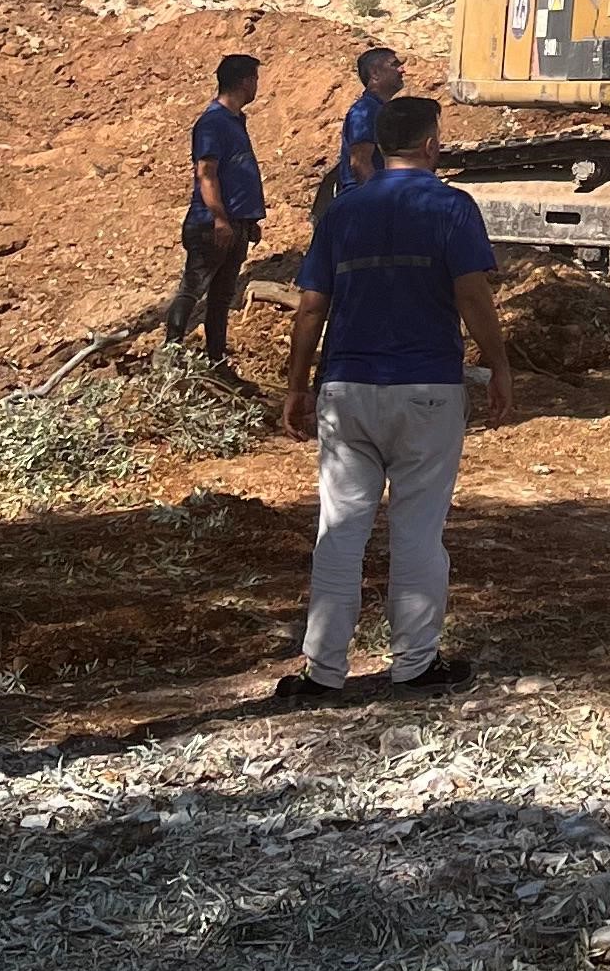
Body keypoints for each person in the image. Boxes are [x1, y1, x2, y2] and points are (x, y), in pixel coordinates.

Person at [272, 90, 513, 706]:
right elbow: (472, 295)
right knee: (418, 532)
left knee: (339, 531)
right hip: (427, 389)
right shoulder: (452, 207)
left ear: (378, 145)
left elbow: (311, 309)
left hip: (347, 390)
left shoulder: (342, 212)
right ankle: (414, 665)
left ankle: (322, 672)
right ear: (432, 144)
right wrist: (499, 364)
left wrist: (296, 385)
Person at [167, 53, 264, 366]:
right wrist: (220, 220)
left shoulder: (235, 121)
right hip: (211, 225)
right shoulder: (213, 123)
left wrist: (247, 221)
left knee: (221, 297)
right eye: (255, 79)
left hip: (235, 224)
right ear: (245, 81)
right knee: (193, 288)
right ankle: (170, 353)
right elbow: (206, 174)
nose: (257, 86)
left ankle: (216, 360)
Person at [310, 39, 406, 242]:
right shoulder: (365, 111)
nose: (402, 70)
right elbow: (360, 162)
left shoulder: (380, 110)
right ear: (375, 74)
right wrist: (380, 204)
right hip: (362, 207)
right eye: (394, 65)